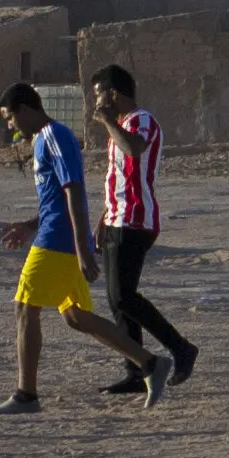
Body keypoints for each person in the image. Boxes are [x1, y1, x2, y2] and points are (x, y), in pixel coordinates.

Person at [0, 82, 166, 414]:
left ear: (25, 109)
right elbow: (55, 199)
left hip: (59, 240)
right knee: (76, 317)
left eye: (11, 118)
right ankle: (151, 364)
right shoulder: (42, 140)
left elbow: (74, 192)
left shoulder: (55, 136)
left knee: (25, 307)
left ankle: (26, 395)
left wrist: (83, 250)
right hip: (58, 235)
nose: (10, 126)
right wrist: (28, 226)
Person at [80, 65, 202, 401]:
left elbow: (134, 150)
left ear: (113, 93)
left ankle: (181, 348)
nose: (97, 102)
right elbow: (118, 176)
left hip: (137, 221)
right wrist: (104, 219)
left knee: (123, 297)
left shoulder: (140, 120)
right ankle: (136, 371)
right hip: (117, 220)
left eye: (99, 94)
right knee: (118, 303)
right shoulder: (120, 126)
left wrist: (106, 121)